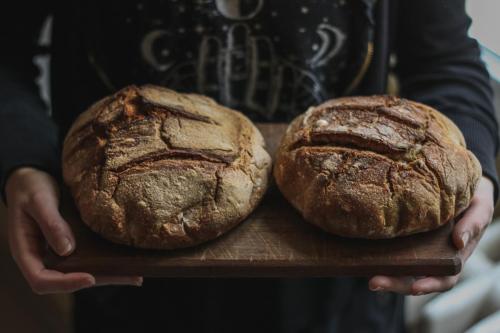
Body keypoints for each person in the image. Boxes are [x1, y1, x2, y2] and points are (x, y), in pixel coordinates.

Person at [1, 1, 497, 332]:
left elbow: (446, 60)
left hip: (343, 288)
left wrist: (473, 165)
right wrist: (21, 159)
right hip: (130, 284)